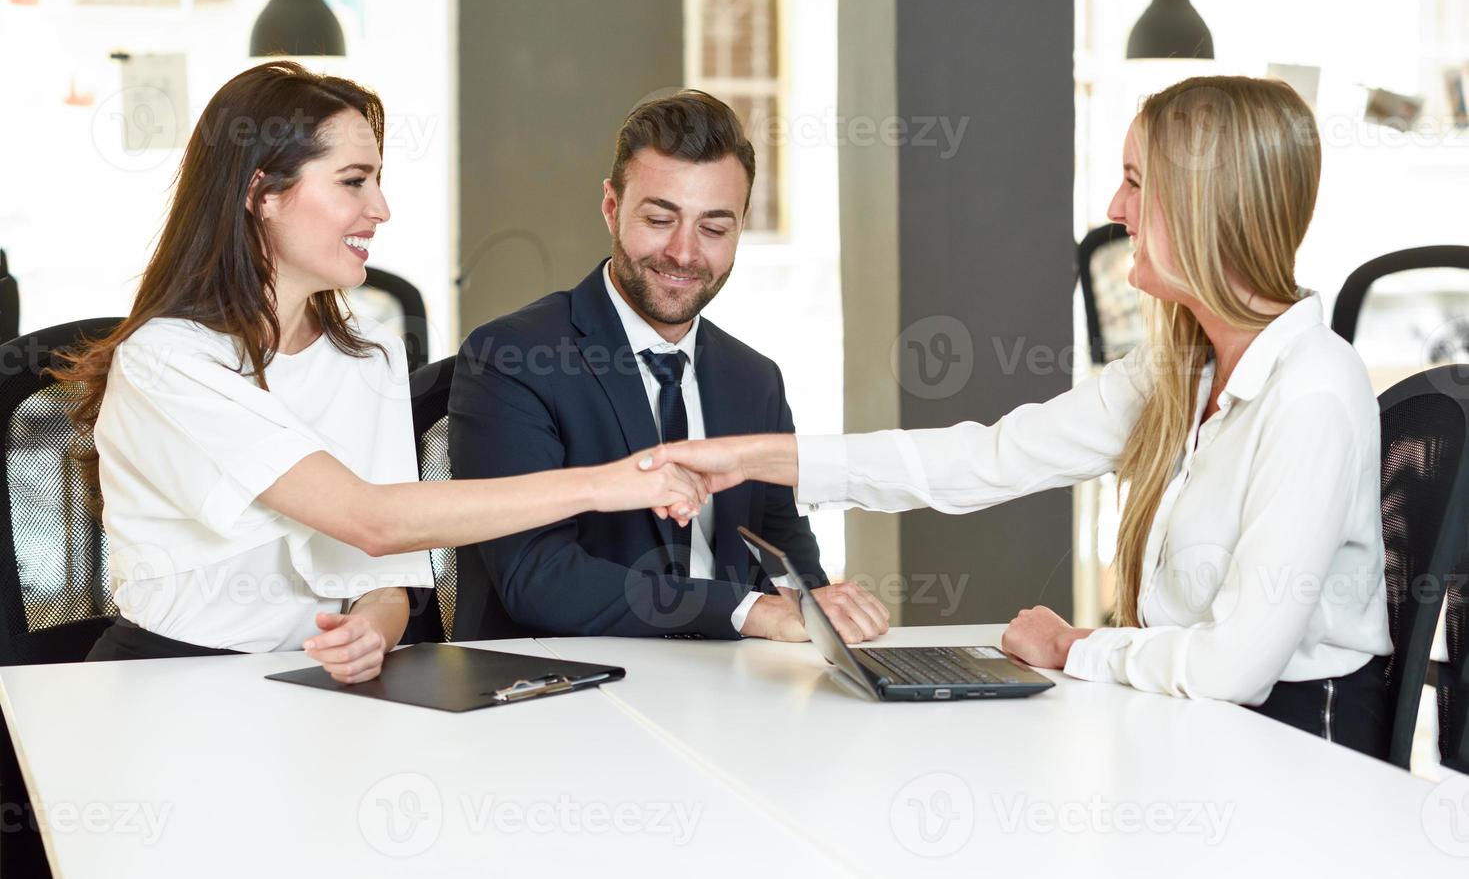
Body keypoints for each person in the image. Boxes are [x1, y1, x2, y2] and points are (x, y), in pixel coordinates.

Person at [648, 76, 1394, 759]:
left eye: (1136, 182)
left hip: (1294, 748)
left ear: (1208, 202)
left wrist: (1073, 648)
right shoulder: (1176, 371)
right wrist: (749, 457)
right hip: (1191, 723)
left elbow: (1234, 666)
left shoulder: (1311, 393)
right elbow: (987, 458)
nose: (1113, 210)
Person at [52, 62, 708, 681]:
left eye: (377, 180)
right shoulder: (168, 360)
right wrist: (605, 484)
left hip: (303, 687)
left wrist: (372, 629)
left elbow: (385, 575)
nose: (381, 208)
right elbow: (370, 518)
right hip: (169, 683)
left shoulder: (371, 353)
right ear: (262, 193)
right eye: (352, 181)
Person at [449, 90, 888, 642]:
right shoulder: (511, 358)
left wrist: (817, 603)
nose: (683, 253)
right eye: (660, 219)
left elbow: (787, 554)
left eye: (713, 228)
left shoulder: (755, 379)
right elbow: (537, 578)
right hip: (570, 693)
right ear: (611, 207)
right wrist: (746, 611)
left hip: (734, 683)